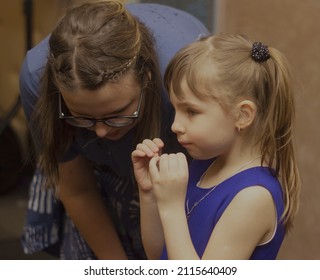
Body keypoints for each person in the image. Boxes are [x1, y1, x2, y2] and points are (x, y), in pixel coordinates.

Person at [19, 0, 209, 260]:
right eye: (82, 116)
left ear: (147, 79)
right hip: (98, 173)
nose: (99, 132)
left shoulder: (184, 78)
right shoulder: (35, 76)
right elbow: (77, 189)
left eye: (116, 114)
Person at [132, 33, 301, 260]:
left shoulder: (253, 197)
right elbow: (159, 256)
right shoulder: (204, 164)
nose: (175, 126)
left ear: (242, 115)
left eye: (191, 111)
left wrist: (172, 207)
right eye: (175, 110)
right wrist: (150, 194)